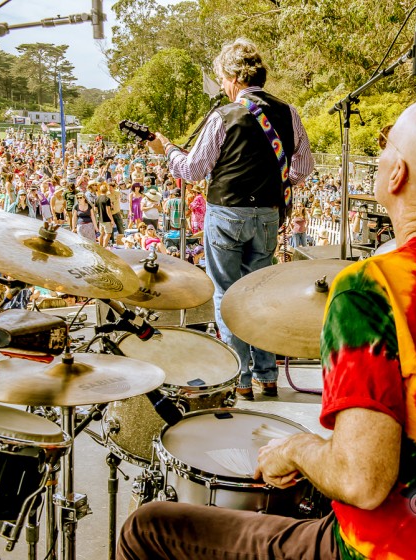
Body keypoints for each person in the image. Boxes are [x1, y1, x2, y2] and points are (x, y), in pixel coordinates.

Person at [118, 98, 416, 560]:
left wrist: (297, 449)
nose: (382, 153)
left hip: (383, 551)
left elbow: (362, 482)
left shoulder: (372, 290)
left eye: (385, 145)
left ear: (398, 174)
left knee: (149, 528)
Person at [148, 38, 314, 401]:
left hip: (226, 214)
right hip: (269, 216)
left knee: (227, 295)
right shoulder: (288, 113)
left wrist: (168, 150)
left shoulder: (223, 116)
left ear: (235, 77)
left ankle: (239, 379)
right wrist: (274, 179)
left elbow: (192, 170)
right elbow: (303, 168)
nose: (222, 85)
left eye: (223, 78)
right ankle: (267, 377)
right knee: (260, 293)